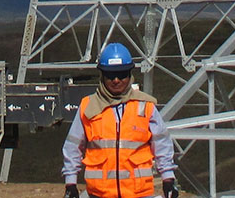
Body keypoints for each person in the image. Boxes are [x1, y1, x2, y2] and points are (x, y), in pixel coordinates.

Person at [63, 43, 176, 198]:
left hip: (139, 194)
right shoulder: (88, 107)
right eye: (110, 75)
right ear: (102, 75)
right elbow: (72, 147)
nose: (116, 80)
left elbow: (162, 145)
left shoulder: (145, 106)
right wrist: (70, 183)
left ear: (130, 75)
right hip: (98, 194)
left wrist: (168, 180)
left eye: (122, 74)